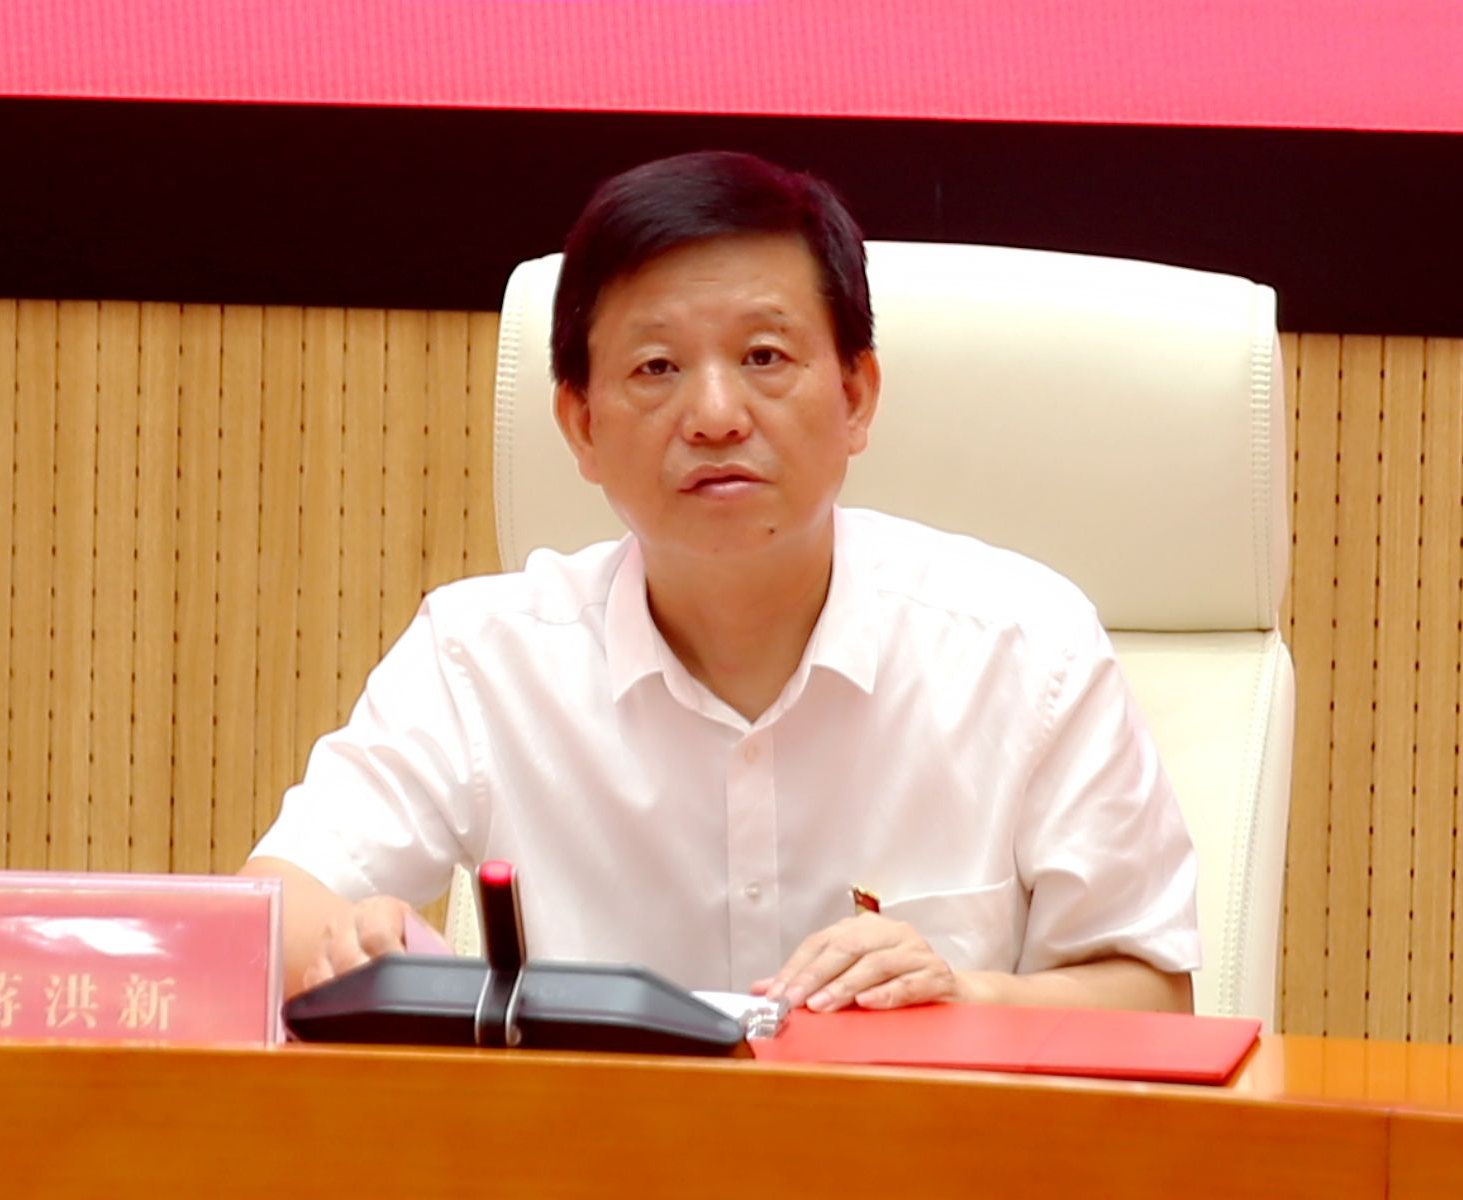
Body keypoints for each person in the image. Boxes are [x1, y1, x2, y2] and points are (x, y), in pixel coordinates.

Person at [241, 150, 1198, 1016]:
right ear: (581, 426)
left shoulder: (1027, 648)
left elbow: (1157, 999)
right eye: (656, 367)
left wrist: (963, 994)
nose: (713, 415)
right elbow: (272, 909)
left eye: (764, 358)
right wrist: (351, 945)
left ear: (856, 396)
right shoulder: (479, 656)